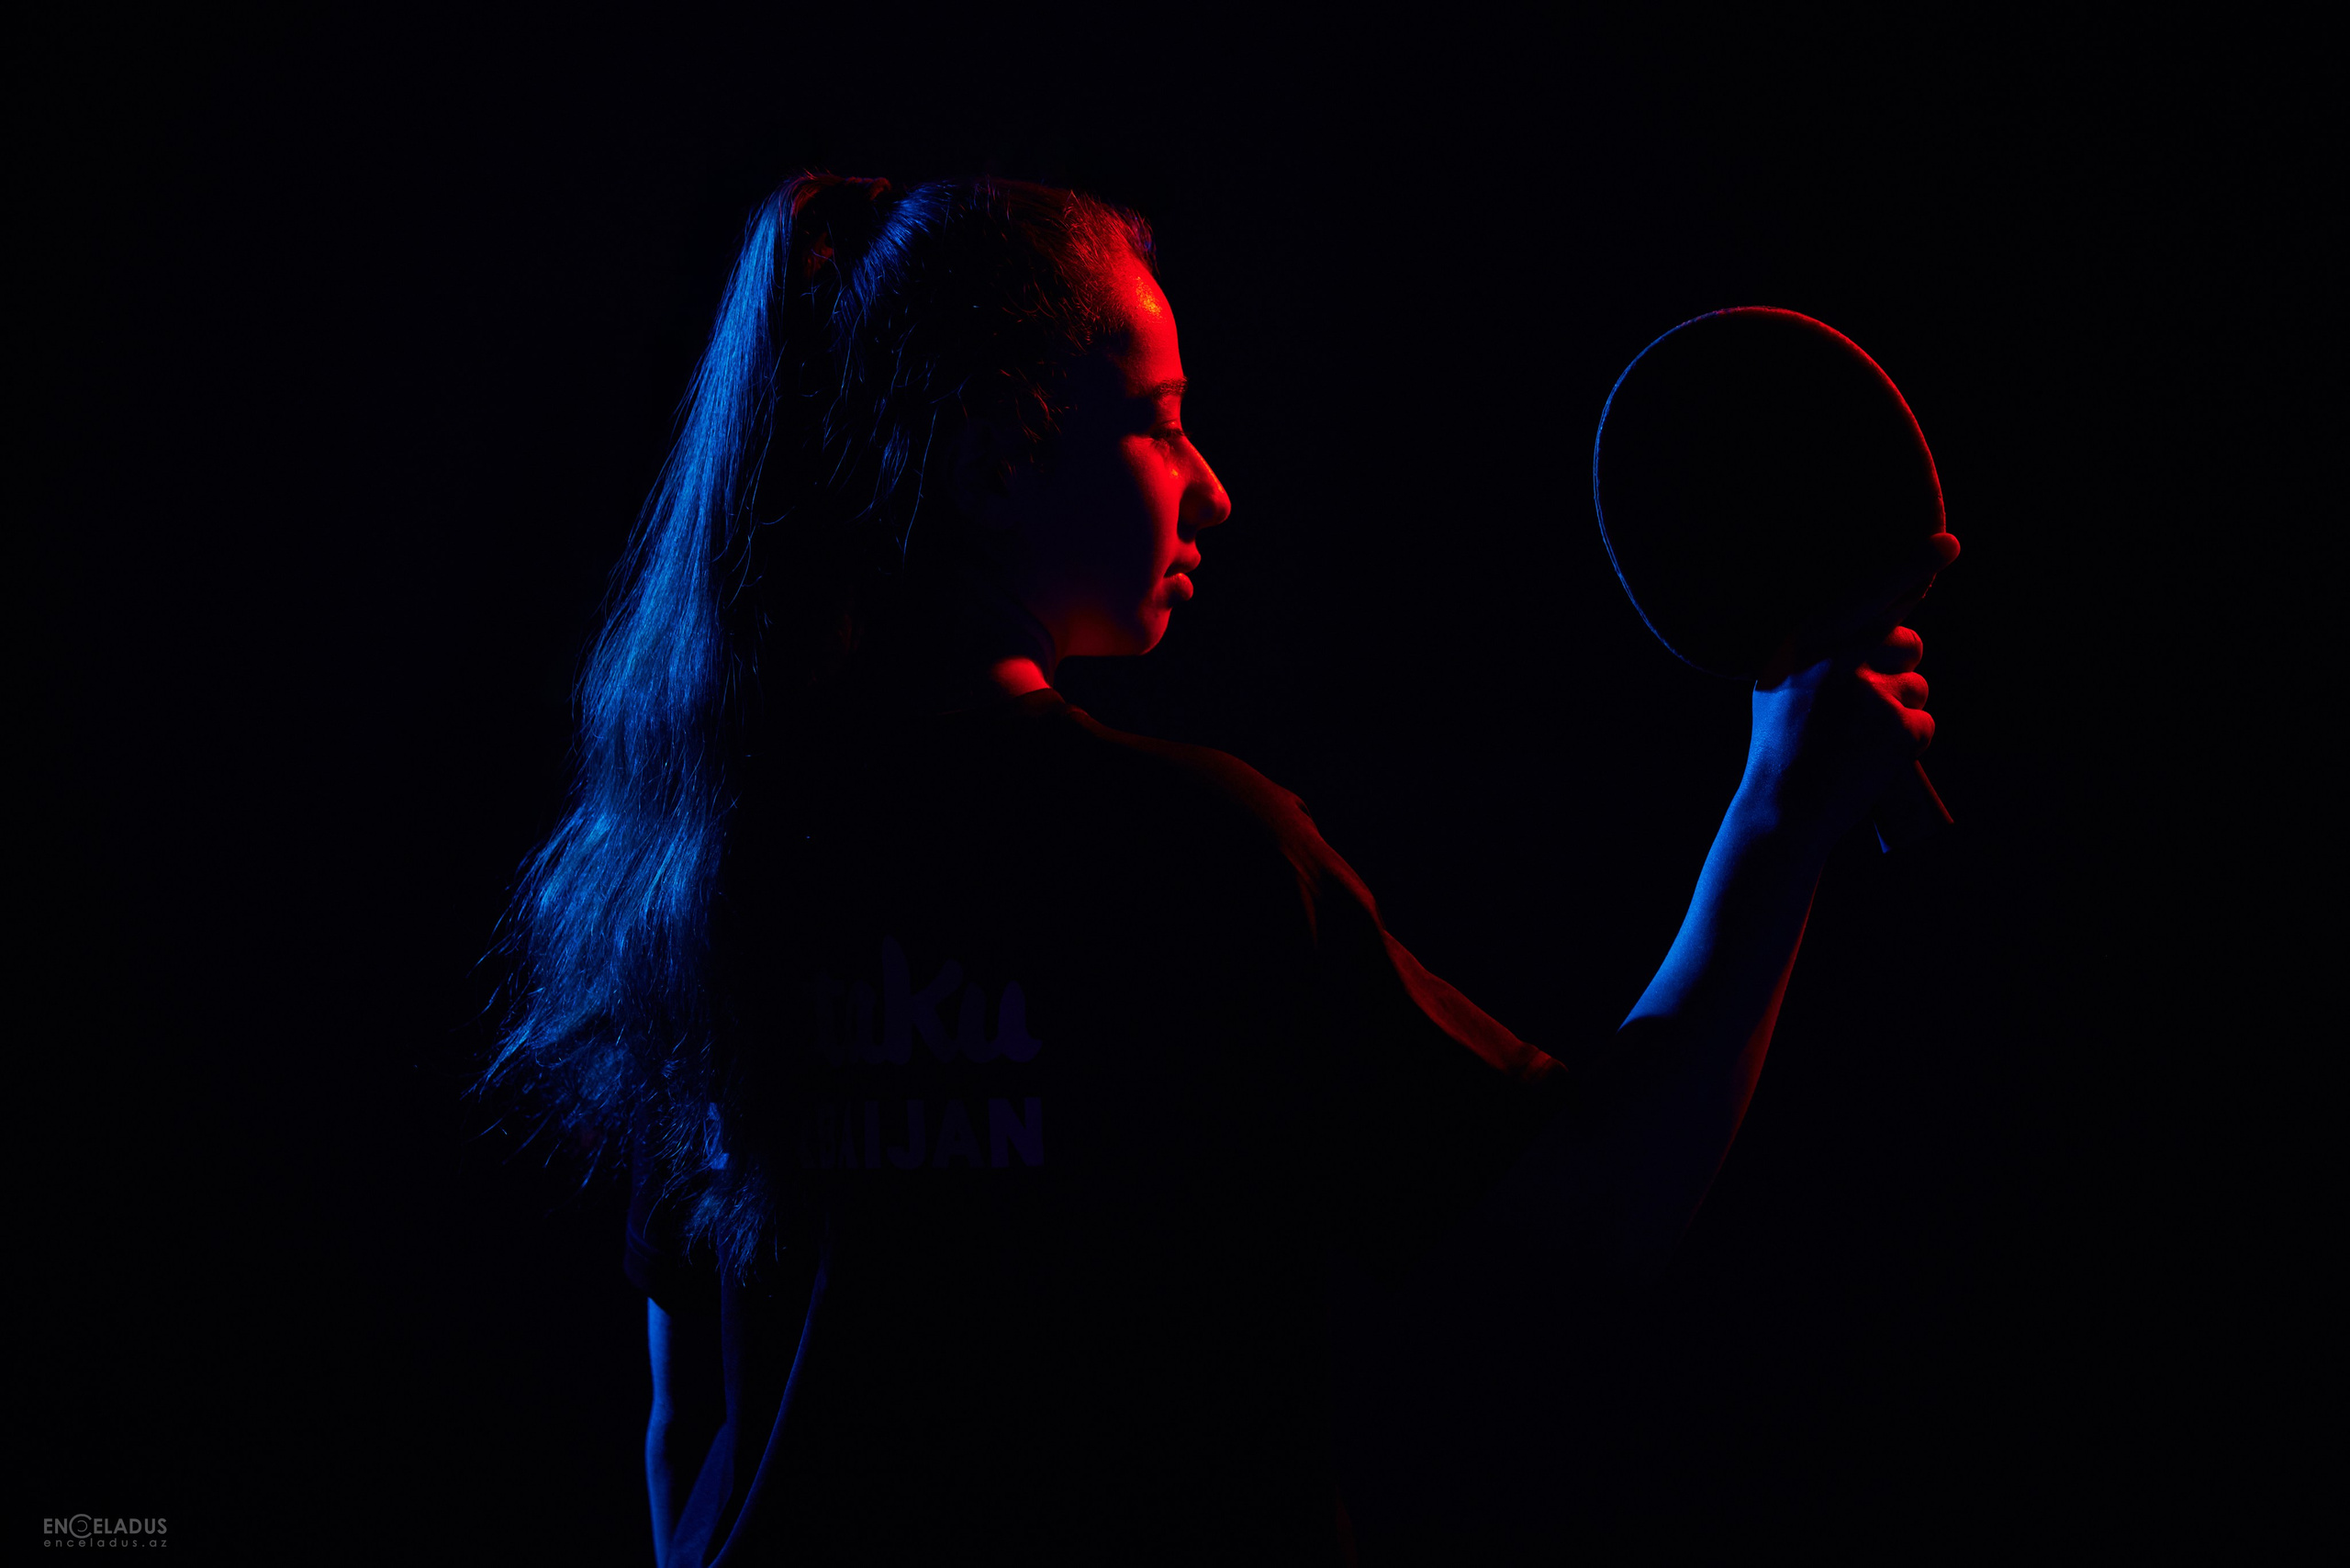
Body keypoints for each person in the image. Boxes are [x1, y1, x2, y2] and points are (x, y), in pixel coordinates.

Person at [487, 173, 1957, 1564]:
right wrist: (1779, 814)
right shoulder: (1191, 861)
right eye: (1162, 421)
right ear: (1004, 450)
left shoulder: (700, 872)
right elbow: (1570, 1238)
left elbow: (690, 1440)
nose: (1214, 491)